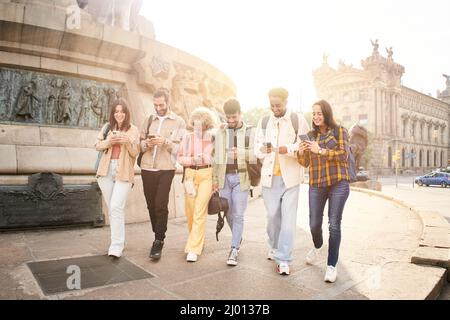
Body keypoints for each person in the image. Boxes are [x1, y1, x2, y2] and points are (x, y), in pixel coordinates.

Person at [254, 88, 310, 275]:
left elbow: (305, 144)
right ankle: (274, 246)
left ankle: (284, 259)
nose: (275, 108)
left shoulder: (298, 120)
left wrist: (289, 149)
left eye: (278, 105)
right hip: (269, 179)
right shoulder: (263, 121)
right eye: (272, 105)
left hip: (291, 178)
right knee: (272, 218)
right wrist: (263, 148)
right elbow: (256, 150)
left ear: (286, 102)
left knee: (288, 221)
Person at [297, 100, 351, 283]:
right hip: (317, 184)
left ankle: (331, 265)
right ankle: (318, 246)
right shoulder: (310, 135)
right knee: (313, 224)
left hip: (338, 183)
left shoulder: (340, 131)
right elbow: (304, 163)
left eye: (319, 113)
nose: (316, 117)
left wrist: (320, 151)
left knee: (334, 224)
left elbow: (344, 155)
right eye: (313, 114)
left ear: (326, 114)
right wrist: (301, 151)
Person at [139, 89, 186, 261]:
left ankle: (159, 239)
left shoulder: (179, 121)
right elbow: (138, 145)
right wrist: (147, 144)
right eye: (155, 105)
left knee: (160, 204)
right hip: (147, 168)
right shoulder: (149, 119)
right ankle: (157, 232)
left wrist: (165, 142)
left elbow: (181, 149)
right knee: (151, 205)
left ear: (168, 102)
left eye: (161, 105)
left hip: (166, 168)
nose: (158, 108)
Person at [95, 99, 140, 258]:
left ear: (126, 113)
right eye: (116, 111)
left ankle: (116, 245)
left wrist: (126, 142)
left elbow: (135, 153)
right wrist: (110, 141)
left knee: (115, 206)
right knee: (113, 209)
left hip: (124, 172)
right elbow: (97, 145)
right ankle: (118, 241)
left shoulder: (133, 130)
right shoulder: (107, 127)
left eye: (122, 111)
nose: (119, 114)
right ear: (113, 113)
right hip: (105, 171)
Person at [213, 98, 254, 266]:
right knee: (228, 212)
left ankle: (234, 248)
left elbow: (257, 155)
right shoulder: (220, 132)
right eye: (227, 117)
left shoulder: (250, 132)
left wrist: (242, 154)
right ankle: (238, 236)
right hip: (224, 178)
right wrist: (214, 179)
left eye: (233, 117)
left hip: (241, 178)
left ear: (240, 114)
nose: (230, 121)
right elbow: (216, 158)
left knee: (238, 214)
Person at [177, 107, 216, 262]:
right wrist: (193, 160)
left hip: (207, 175)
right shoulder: (187, 138)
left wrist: (206, 159)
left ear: (206, 125)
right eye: (195, 125)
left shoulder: (213, 139)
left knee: (200, 210)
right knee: (191, 211)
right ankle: (198, 239)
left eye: (201, 125)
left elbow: (218, 160)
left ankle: (193, 248)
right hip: (190, 176)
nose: (197, 128)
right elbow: (180, 158)